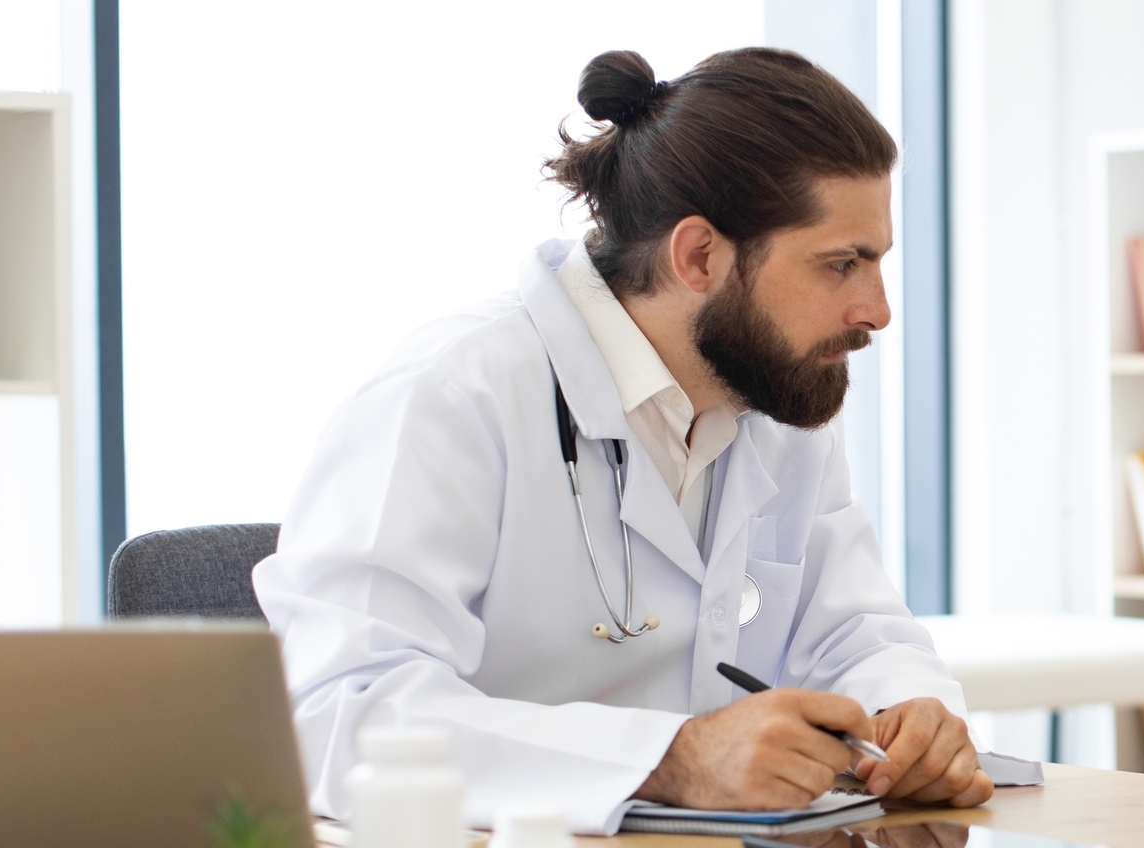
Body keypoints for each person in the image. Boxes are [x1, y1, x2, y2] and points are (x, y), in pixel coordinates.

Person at [252, 48, 991, 834]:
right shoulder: (449, 396)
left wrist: (909, 711)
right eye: (842, 264)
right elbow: (339, 710)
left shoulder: (770, 398)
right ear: (699, 255)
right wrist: (674, 758)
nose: (876, 311)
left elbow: (852, 629)